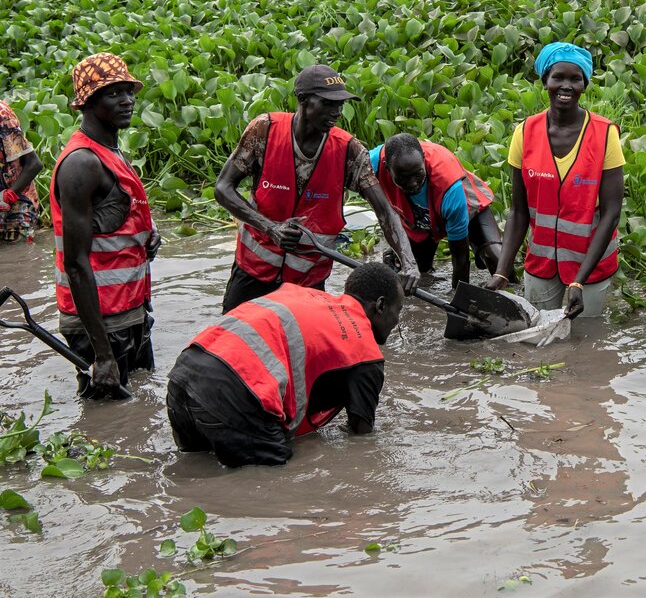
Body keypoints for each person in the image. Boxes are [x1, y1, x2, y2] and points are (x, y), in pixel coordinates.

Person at [214, 63, 419, 313]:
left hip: (308, 280)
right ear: (302, 99)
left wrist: (408, 263)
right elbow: (223, 188)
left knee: (303, 349)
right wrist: (271, 228)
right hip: (253, 270)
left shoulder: (349, 151)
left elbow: (385, 212)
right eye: (329, 103)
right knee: (233, 342)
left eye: (341, 104)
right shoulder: (264, 131)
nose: (338, 112)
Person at [166, 262, 404, 467]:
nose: (397, 321)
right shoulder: (366, 355)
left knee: (194, 467)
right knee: (271, 482)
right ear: (381, 306)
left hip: (185, 371)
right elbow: (362, 440)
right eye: (398, 310)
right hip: (233, 392)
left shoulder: (306, 295)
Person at [485, 42, 625, 319]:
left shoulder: (605, 133)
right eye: (558, 77)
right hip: (542, 260)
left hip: (590, 265)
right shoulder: (525, 132)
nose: (566, 86)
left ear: (584, 85)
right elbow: (519, 210)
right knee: (537, 336)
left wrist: (579, 281)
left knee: (587, 343)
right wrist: (502, 271)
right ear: (545, 81)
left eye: (575, 79)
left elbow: (611, 213)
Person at [50, 53, 160, 398]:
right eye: (113, 94)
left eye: (128, 91)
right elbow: (76, 263)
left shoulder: (111, 150)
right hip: (102, 324)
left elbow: (112, 224)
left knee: (138, 414)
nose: (127, 100)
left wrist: (146, 236)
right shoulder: (82, 163)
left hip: (130, 311)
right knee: (106, 425)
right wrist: (102, 354)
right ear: (87, 103)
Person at [369, 133, 501, 288]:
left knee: (495, 259)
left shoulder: (449, 185)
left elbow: (460, 257)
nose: (412, 184)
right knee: (414, 273)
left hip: (466, 206)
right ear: (386, 167)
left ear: (424, 159)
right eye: (403, 178)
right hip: (418, 218)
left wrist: (458, 301)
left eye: (418, 174)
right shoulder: (371, 164)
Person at [0, 101, 43, 243]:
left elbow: (34, 164)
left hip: (18, 200)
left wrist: (9, 195)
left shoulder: (2, 116)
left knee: (19, 254)